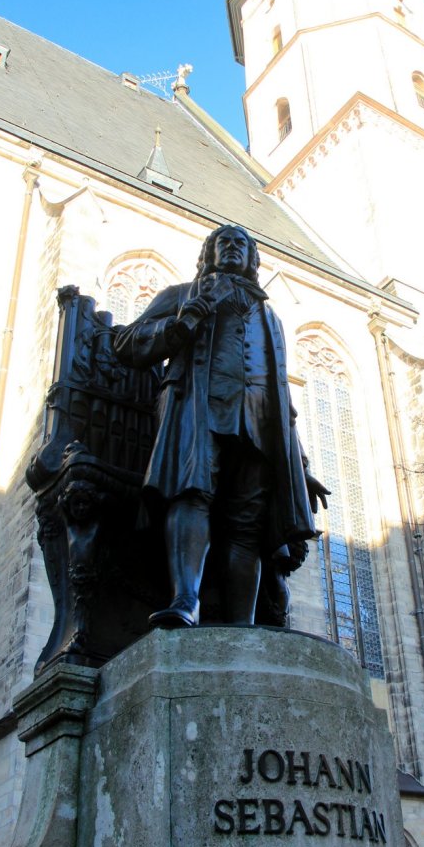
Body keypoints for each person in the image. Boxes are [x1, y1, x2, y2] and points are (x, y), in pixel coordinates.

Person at [114, 224, 329, 628]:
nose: (231, 248)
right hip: (199, 408)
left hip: (259, 424)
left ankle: (242, 626)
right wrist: (179, 325)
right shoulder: (182, 295)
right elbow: (127, 343)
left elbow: (283, 396)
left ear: (252, 259)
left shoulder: (270, 317)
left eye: (240, 243)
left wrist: (300, 464)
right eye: (222, 242)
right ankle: (186, 600)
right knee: (191, 493)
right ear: (208, 254)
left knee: (248, 526)